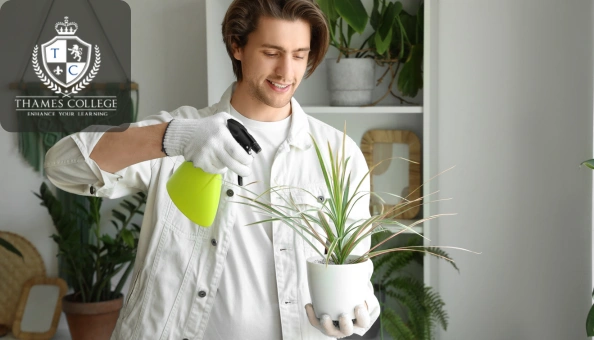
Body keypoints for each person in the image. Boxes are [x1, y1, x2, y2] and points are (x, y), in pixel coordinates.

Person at [44, 0, 380, 339]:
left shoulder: (338, 153)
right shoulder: (182, 130)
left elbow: (356, 267)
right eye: (271, 52)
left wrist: (359, 308)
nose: (286, 72)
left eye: (299, 55)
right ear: (237, 45)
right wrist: (174, 137)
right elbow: (62, 165)